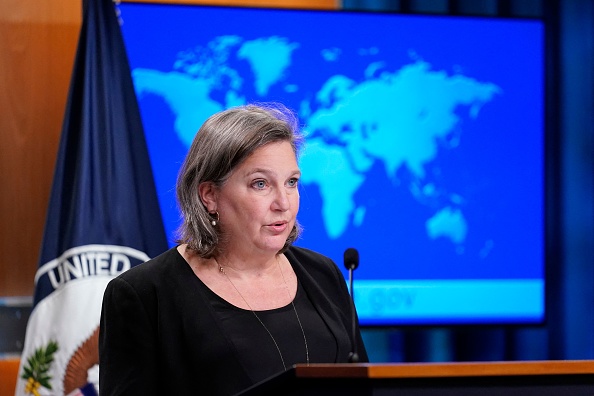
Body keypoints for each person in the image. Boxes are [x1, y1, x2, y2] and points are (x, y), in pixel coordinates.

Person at [99, 103, 368, 395]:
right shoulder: (144, 294)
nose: (284, 203)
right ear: (210, 195)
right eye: (261, 184)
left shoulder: (322, 273)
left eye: (291, 182)